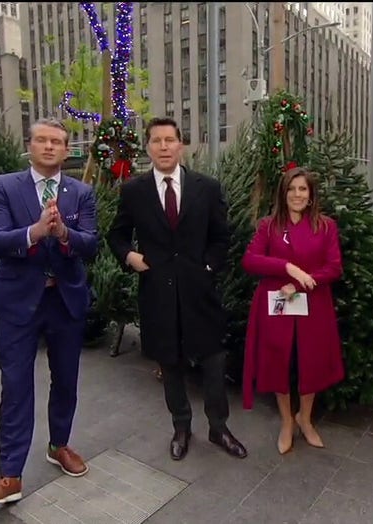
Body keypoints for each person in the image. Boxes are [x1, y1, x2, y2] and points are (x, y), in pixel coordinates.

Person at [0, 118, 99, 505]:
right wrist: (36, 231)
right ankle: (10, 474)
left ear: (66, 150)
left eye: (57, 142)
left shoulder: (81, 193)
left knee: (66, 380)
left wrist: (63, 234)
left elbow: (90, 245)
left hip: (64, 300)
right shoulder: (3, 186)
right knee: (15, 387)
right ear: (29, 145)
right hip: (18, 303)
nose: (49, 147)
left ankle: (59, 445)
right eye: (42, 140)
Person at [107, 116, 247, 461]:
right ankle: (181, 427)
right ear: (148, 147)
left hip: (201, 293)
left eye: (170, 140)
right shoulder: (134, 191)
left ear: (181, 144)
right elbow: (117, 234)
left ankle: (219, 428)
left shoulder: (207, 188)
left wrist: (209, 267)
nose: (164, 146)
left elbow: (221, 237)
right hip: (158, 293)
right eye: (156, 141)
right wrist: (130, 256)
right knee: (170, 365)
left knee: (214, 362)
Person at [241, 167, 344, 454]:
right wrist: (286, 267)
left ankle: (305, 419)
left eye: (302, 189)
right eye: (291, 189)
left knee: (311, 361)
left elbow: (334, 267)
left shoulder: (326, 226)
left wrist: (300, 284)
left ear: (311, 195)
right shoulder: (268, 226)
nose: (297, 194)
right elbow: (250, 260)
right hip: (277, 303)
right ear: (282, 193)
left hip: (313, 302)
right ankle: (287, 421)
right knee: (278, 362)